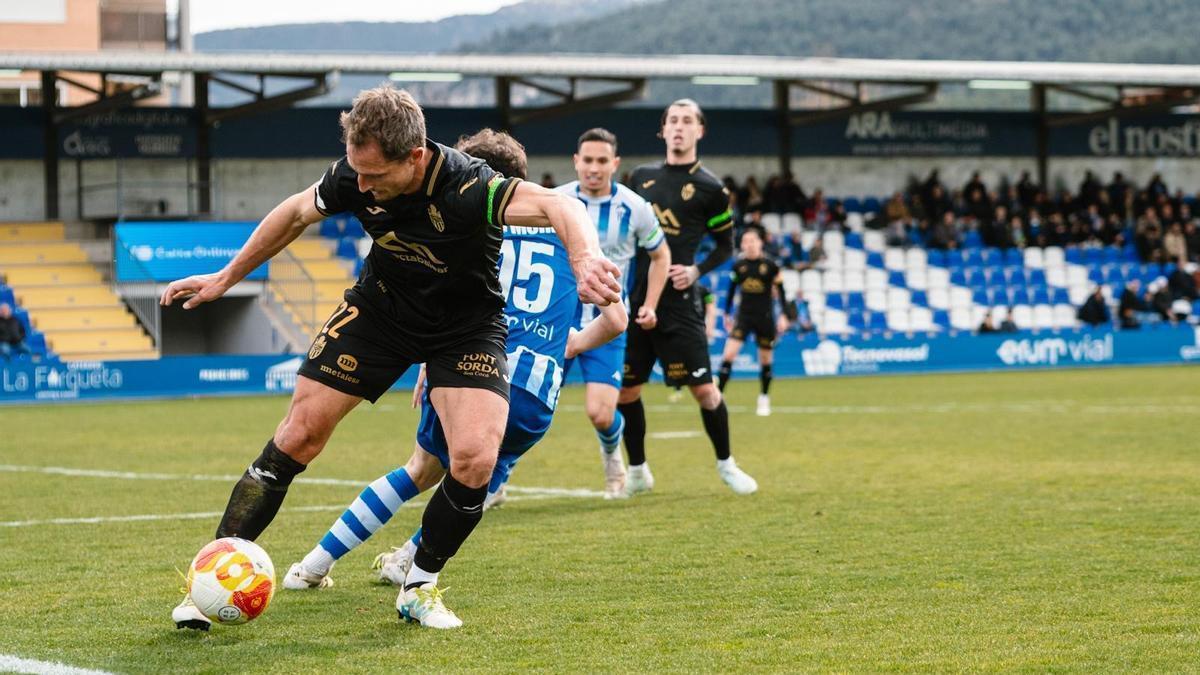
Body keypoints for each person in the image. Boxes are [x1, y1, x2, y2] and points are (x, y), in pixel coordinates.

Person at [163, 87, 621, 631]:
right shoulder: (351, 175)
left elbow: (559, 203)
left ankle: (419, 586)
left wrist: (586, 255)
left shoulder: (470, 184)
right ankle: (212, 578)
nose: (360, 187)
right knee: (297, 437)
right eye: (355, 171)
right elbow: (292, 214)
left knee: (474, 458)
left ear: (415, 157)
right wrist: (224, 278)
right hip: (380, 313)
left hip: (464, 328)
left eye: (373, 175)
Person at [282, 129, 628, 621]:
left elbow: (445, 311)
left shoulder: (472, 232)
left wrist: (431, 361)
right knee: (476, 480)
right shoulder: (565, 230)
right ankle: (411, 564)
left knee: (418, 471)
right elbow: (616, 320)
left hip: (475, 370)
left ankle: (314, 566)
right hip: (537, 392)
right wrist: (566, 344)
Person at [621, 98, 758, 496]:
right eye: (673, 121)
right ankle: (637, 471)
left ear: (700, 131)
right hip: (635, 299)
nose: (679, 127)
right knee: (627, 391)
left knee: (705, 390)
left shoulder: (712, 189)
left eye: (687, 121)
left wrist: (696, 271)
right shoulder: (640, 178)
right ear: (663, 131)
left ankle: (727, 465)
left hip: (680, 304)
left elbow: (725, 247)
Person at [554, 128, 671, 499]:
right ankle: (496, 482)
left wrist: (650, 303)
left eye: (602, 161)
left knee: (601, 414)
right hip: (558, 323)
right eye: (587, 160)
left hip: (608, 323)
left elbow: (661, 255)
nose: (593, 168)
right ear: (576, 162)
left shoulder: (635, 207)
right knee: (522, 408)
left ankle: (612, 460)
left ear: (614, 164)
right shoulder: (555, 201)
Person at [716, 226, 796, 417]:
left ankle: (764, 397)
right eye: (746, 241)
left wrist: (784, 315)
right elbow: (731, 291)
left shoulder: (771, 266)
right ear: (742, 244)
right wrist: (727, 313)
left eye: (753, 240)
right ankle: (718, 397)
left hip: (765, 318)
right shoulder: (738, 266)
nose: (749, 244)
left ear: (760, 242)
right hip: (743, 317)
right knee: (728, 355)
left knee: (765, 360)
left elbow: (782, 293)